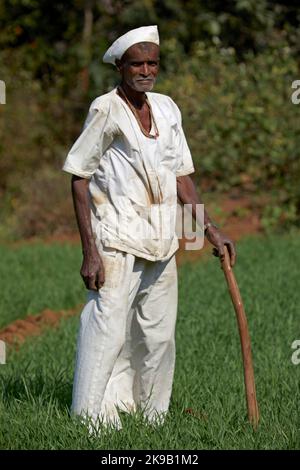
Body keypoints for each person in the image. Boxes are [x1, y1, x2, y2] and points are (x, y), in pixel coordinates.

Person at [62, 25, 236, 432]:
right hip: (116, 239)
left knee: (157, 336)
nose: (145, 70)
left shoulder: (167, 108)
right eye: (136, 63)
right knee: (108, 330)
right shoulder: (106, 109)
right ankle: (90, 420)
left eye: (152, 62)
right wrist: (89, 252)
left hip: (160, 240)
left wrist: (211, 230)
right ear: (120, 66)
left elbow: (181, 177)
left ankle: (150, 416)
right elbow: (79, 177)